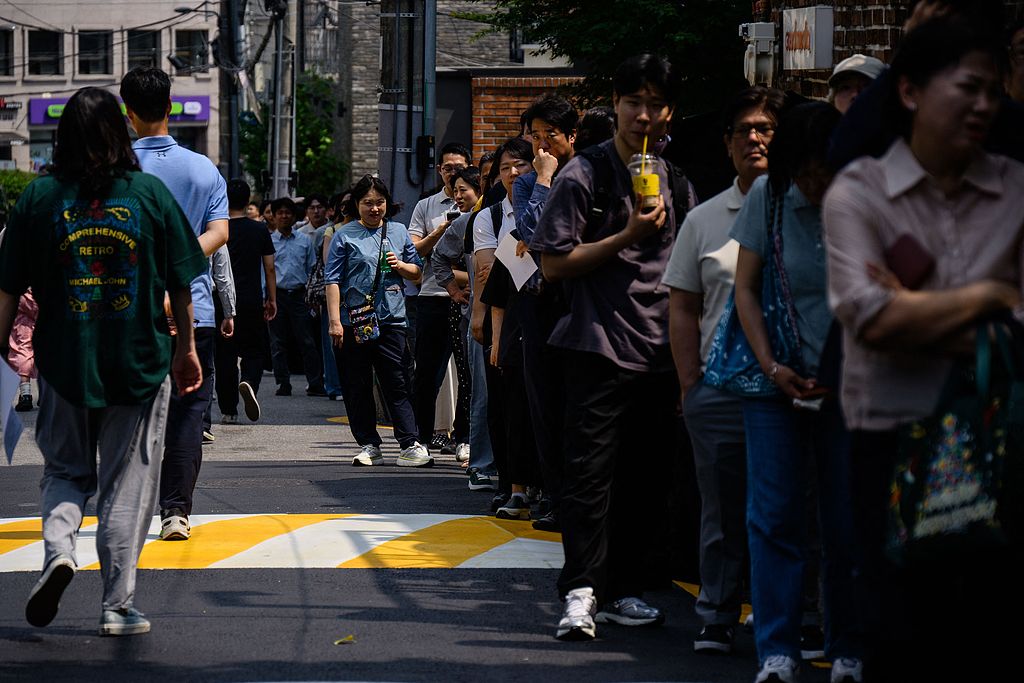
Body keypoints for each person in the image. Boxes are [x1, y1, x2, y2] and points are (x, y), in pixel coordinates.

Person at [823, 17, 1023, 682]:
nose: (984, 105)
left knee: (990, 634)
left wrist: (917, 311)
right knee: (900, 637)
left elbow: (892, 317)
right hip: (891, 441)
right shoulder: (859, 192)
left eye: (995, 91)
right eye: (968, 87)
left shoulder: (1017, 189)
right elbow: (867, 315)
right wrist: (994, 298)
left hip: (1002, 440)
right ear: (908, 91)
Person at [0, 87, 207, 636]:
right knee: (129, 482)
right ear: (121, 132)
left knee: (65, 471)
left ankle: (59, 552)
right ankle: (117, 605)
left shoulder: (39, 198)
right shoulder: (149, 194)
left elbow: (6, 286)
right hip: (137, 360)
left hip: (66, 359)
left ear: (62, 136)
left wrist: (3, 344)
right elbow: (181, 282)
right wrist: (185, 348)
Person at [531, 54, 684, 641]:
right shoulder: (584, 175)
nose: (643, 114)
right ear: (616, 105)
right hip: (596, 346)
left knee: (646, 476)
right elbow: (552, 263)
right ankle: (580, 590)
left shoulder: (677, 178)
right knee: (587, 476)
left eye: (655, 103)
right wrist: (627, 235)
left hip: (660, 349)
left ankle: (623, 589)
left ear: (669, 111)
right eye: (633, 101)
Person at [726, 102, 862, 683]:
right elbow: (745, 289)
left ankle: (850, 647)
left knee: (848, 518)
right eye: (805, 172)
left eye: (823, 170)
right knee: (774, 515)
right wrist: (771, 364)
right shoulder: (771, 198)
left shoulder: (861, 201)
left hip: (852, 383)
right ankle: (776, 648)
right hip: (774, 382)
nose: (816, 183)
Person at [664, 85, 785, 655]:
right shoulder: (705, 218)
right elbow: (683, 306)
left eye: (766, 129)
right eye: (746, 130)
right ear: (729, 143)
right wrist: (690, 384)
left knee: (793, 503)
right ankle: (717, 610)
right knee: (720, 509)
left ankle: (798, 610)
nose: (756, 139)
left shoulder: (807, 212)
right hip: (717, 388)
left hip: (792, 387)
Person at [120, 66, 229, 543]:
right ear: (170, 108)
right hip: (195, 311)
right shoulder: (203, 168)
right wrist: (180, 262)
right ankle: (175, 512)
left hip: (127, 310)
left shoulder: (117, 171)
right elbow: (220, 234)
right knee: (188, 413)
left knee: (131, 411)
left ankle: (129, 509)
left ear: (128, 113)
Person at [325, 175, 431, 467]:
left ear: (388, 203)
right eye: (368, 203)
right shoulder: (344, 235)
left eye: (379, 202)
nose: (374, 209)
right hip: (353, 321)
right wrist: (335, 321)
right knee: (356, 385)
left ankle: (410, 443)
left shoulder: (398, 232)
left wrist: (401, 264)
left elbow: (417, 273)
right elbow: (332, 279)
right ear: (357, 205)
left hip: (392, 318)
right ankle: (369, 444)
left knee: (397, 381)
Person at [512, 94, 579, 532]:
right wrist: (541, 182)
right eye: (534, 138)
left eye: (549, 136)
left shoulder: (590, 174)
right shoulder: (525, 182)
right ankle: (555, 498)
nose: (541, 147)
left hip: (584, 302)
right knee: (545, 404)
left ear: (571, 136)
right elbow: (535, 237)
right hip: (540, 301)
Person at [408, 142, 472, 452]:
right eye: (448, 168)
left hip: (467, 299)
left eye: (459, 167)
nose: (453, 174)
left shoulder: (477, 204)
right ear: (439, 170)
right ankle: (420, 438)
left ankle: (463, 438)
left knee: (467, 373)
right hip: (433, 296)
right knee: (427, 373)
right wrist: (442, 232)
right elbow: (414, 252)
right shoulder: (427, 205)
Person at [214, 179, 277, 424]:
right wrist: (272, 299)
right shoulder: (259, 229)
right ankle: (249, 381)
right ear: (248, 200)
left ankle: (228, 410)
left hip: (221, 300)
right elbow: (269, 268)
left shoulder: (218, 230)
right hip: (252, 299)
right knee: (254, 350)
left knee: (224, 357)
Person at [267, 197, 324, 397]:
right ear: (273, 217)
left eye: (288, 212)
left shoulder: (304, 241)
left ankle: (315, 383)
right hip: (277, 296)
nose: (284, 216)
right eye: (280, 212)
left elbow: (312, 269)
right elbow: (264, 271)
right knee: (278, 342)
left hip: (300, 296)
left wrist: (313, 298)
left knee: (307, 341)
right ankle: (283, 383)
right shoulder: (268, 241)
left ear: (294, 216)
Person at [8, 290, 38, 411]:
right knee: (46, 345)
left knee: (22, 346)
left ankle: (25, 395)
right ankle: (45, 393)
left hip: (23, 293)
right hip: (44, 292)